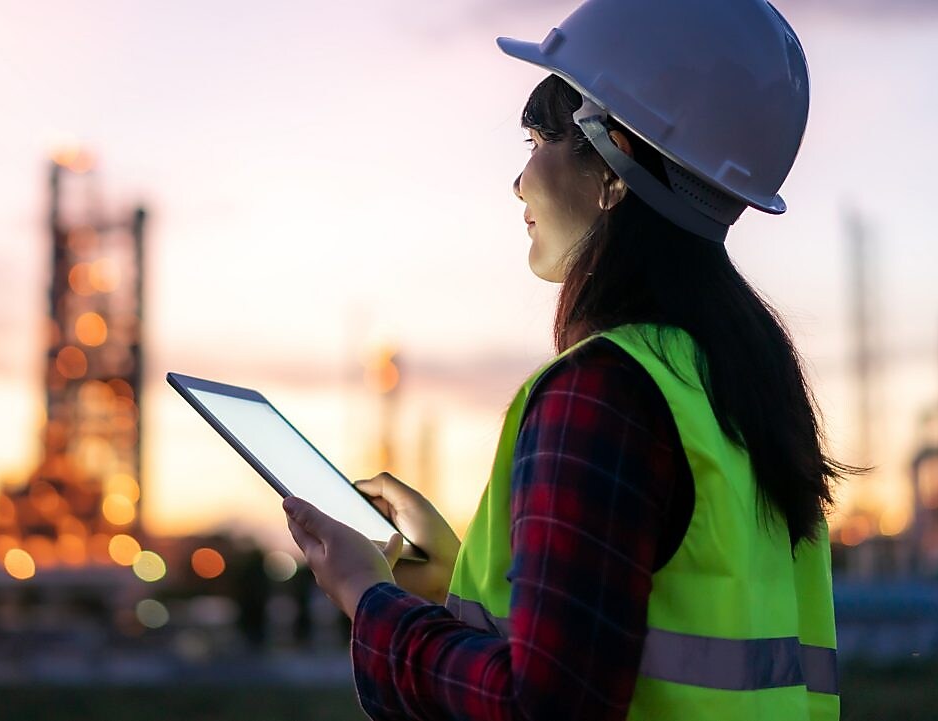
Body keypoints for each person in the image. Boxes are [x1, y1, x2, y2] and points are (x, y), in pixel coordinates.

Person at [282, 0, 848, 718]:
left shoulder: (602, 393)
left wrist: (370, 598)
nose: (518, 183)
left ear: (612, 161)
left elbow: (547, 704)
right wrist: (454, 577)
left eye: (536, 141)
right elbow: (629, 642)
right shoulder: (734, 385)